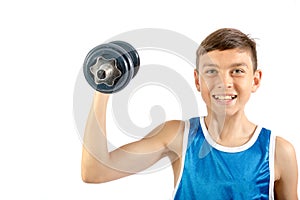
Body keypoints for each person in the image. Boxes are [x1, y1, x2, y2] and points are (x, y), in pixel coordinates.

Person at [81, 28, 298, 199]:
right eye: (211, 71)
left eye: (237, 71)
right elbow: (94, 171)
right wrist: (104, 88)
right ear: (197, 80)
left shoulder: (278, 152)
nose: (224, 83)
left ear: (255, 80)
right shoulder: (177, 136)